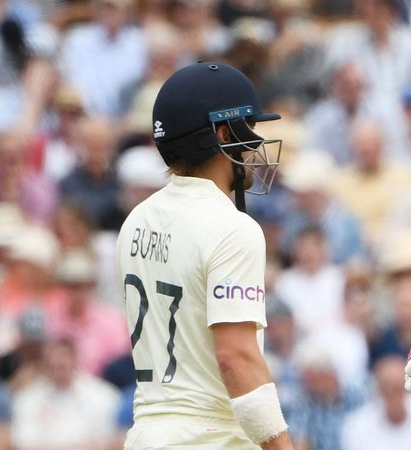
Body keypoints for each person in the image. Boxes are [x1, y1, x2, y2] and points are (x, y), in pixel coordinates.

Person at [116, 61, 292, 449]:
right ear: (224, 133)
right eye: (250, 128)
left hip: (146, 435)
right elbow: (236, 358)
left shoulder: (136, 220)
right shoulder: (232, 227)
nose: (256, 145)